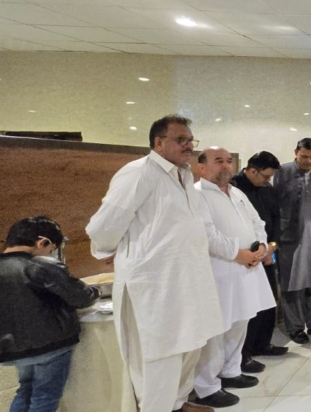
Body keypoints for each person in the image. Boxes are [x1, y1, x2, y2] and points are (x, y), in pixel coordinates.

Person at [87, 114, 222, 412]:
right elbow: (103, 227)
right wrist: (111, 248)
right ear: (158, 143)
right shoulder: (139, 173)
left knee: (191, 346)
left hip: (189, 279)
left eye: (191, 140)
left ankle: (177, 403)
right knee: (161, 356)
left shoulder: (184, 175)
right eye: (181, 140)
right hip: (156, 286)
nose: (189, 146)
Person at [192, 147, 276, 408]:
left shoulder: (237, 192)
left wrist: (261, 247)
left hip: (246, 268)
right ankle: (207, 385)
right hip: (219, 270)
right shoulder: (197, 194)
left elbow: (257, 222)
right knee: (217, 329)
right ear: (201, 167)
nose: (226, 165)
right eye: (218, 161)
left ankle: (231, 370)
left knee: (241, 320)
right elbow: (206, 234)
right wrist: (238, 254)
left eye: (229, 161)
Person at [1, 217, 99, 412]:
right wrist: (95, 292)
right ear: (42, 242)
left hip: (12, 348)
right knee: (45, 396)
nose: (50, 254)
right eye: (51, 249)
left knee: (25, 391)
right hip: (49, 345)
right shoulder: (40, 265)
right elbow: (81, 297)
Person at [230, 151, 288, 371]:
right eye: (265, 176)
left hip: (266, 254)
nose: (267, 180)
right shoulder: (233, 189)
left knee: (267, 302)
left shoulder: (267, 189)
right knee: (248, 308)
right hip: (245, 258)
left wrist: (272, 246)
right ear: (252, 170)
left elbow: (275, 219)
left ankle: (263, 344)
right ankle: (243, 355)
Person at [273, 138, 311, 344]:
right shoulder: (282, 172)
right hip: (290, 236)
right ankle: (295, 327)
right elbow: (275, 205)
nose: (309, 161)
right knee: (292, 283)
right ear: (295, 152)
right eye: (304, 157)